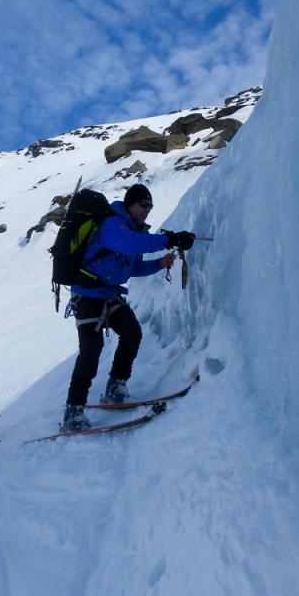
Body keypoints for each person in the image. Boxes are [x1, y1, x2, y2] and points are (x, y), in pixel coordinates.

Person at [62, 184, 194, 431]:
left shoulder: (132, 232)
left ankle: (116, 386)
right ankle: (73, 411)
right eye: (143, 205)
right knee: (92, 350)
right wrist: (170, 239)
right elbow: (130, 244)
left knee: (132, 332)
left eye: (150, 207)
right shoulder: (113, 224)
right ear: (130, 203)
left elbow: (131, 268)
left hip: (109, 294)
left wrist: (160, 263)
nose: (147, 210)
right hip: (87, 295)